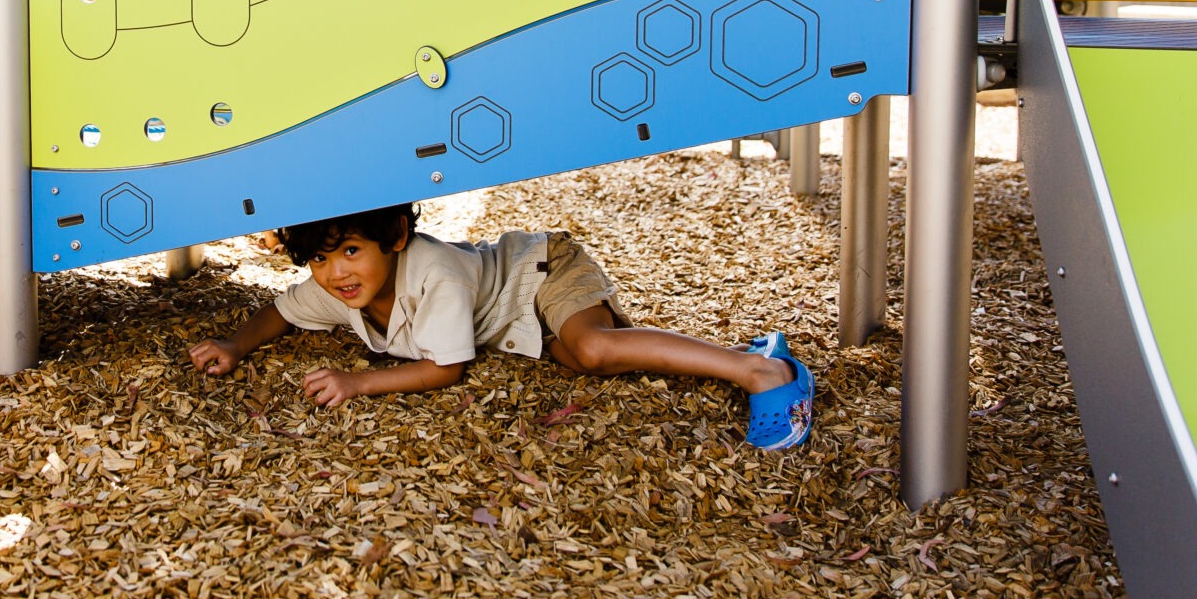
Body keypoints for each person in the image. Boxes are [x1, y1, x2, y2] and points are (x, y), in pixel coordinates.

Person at [188, 204, 814, 448]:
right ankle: (743, 353)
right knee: (584, 361)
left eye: (350, 250)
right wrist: (234, 344)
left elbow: (446, 369)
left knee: (595, 349)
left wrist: (358, 383)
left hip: (539, 273)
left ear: (395, 237)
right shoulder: (345, 287)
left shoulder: (434, 273)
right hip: (516, 321)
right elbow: (282, 309)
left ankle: (763, 369)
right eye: (320, 260)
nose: (334, 273)